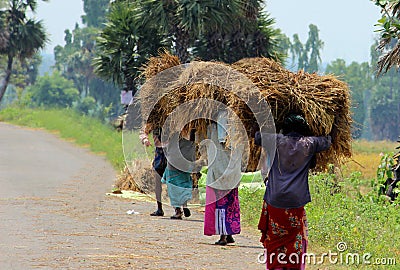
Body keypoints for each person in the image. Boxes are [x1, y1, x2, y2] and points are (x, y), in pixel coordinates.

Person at [254, 114, 332, 270]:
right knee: (293, 237)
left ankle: (276, 266)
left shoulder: (276, 141)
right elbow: (328, 140)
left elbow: (257, 136)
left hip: (274, 199)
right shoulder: (310, 143)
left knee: (275, 237)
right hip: (296, 200)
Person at [203, 111, 243, 245]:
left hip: (221, 168)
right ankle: (229, 232)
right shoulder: (238, 121)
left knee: (221, 202)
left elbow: (223, 140)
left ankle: (223, 236)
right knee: (231, 201)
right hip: (232, 169)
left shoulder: (221, 117)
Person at [161, 128, 196, 219]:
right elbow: (192, 141)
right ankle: (184, 205)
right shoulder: (189, 141)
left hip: (173, 163)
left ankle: (178, 211)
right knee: (184, 184)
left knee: (173, 187)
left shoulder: (172, 135)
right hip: (186, 163)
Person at [140, 126, 167, 216]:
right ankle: (160, 209)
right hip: (159, 153)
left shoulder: (174, 121)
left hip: (172, 152)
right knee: (157, 182)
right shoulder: (154, 121)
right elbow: (144, 131)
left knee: (174, 180)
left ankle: (179, 209)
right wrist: (145, 140)